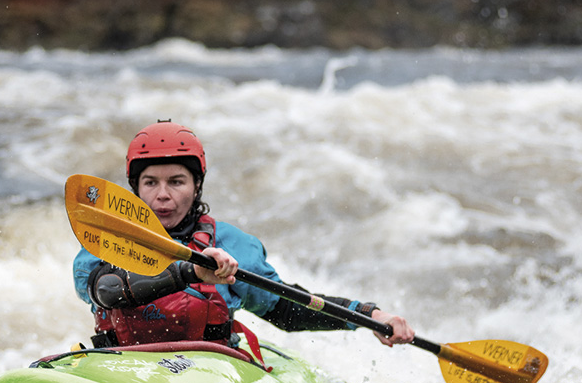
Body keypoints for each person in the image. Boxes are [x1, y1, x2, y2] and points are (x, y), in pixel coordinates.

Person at [73, 120, 415, 352]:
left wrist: (370, 315)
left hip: (210, 372)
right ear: (135, 189)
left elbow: (284, 309)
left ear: (196, 187)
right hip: (122, 366)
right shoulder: (106, 237)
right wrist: (192, 272)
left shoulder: (231, 243)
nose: (163, 195)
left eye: (176, 181)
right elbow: (106, 291)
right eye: (151, 183)